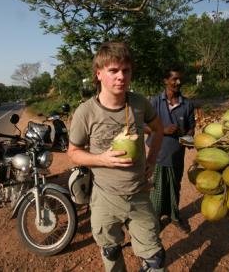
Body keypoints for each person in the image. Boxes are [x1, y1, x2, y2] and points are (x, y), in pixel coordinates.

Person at [67, 41, 165, 272]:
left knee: (155, 259)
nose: (121, 76)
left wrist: (151, 160)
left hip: (139, 195)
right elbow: (73, 153)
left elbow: (159, 129)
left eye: (126, 70)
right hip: (104, 199)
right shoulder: (85, 112)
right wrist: (102, 159)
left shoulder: (139, 103)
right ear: (99, 74)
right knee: (111, 252)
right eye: (113, 70)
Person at [146, 67, 195, 234]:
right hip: (157, 155)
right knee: (156, 190)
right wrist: (163, 130)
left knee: (174, 187)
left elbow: (191, 129)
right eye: (174, 79)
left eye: (180, 79)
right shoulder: (154, 102)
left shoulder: (187, 104)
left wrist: (188, 138)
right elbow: (143, 125)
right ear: (165, 81)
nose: (178, 82)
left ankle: (174, 216)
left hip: (176, 155)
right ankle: (155, 219)